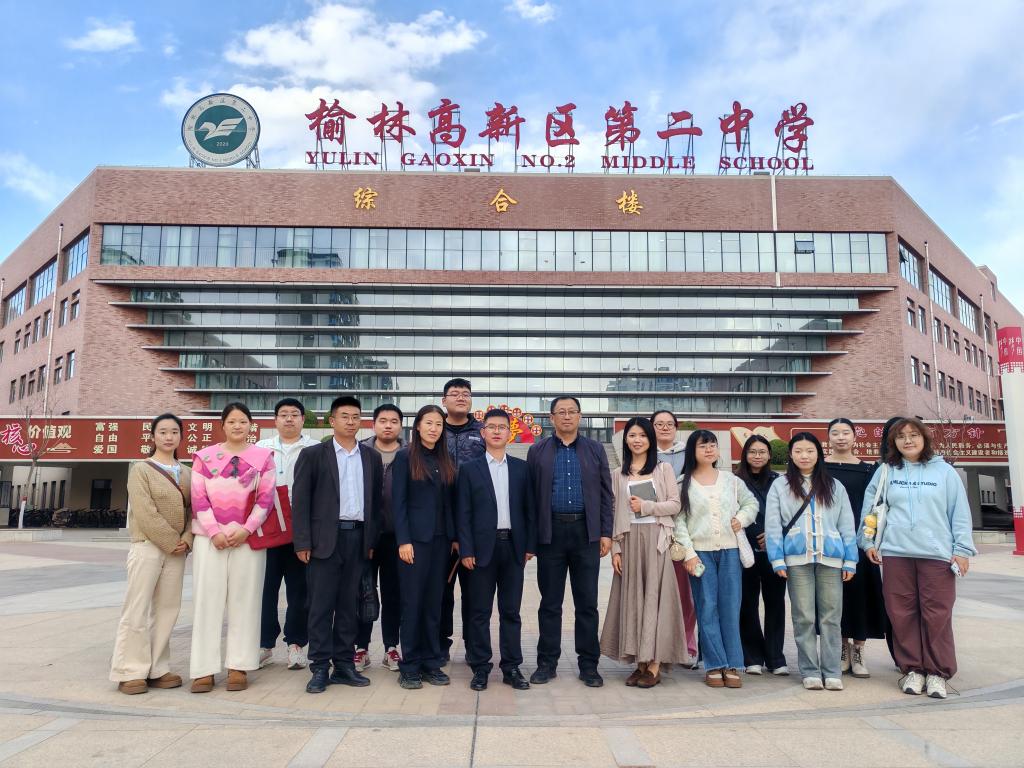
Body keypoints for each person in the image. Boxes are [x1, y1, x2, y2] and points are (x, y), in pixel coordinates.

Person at [860, 416, 976, 700]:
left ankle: (937, 672)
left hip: (936, 555)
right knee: (901, 613)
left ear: (924, 438)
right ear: (893, 443)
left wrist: (962, 549)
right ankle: (913, 669)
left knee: (937, 614)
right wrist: (867, 541)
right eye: (901, 437)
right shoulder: (886, 471)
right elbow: (871, 508)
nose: (907, 440)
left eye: (913, 435)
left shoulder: (944, 472)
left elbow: (960, 513)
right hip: (896, 553)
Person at [292, 395, 383, 694]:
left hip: (358, 539)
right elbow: (300, 501)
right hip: (323, 541)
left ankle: (344, 664)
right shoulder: (313, 455)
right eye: (344, 416)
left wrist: (371, 540)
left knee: (349, 606)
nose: (350, 421)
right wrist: (302, 542)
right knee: (320, 606)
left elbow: (375, 504)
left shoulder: (371, 457)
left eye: (356, 417)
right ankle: (319, 666)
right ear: (332, 421)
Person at [189, 402, 276, 693]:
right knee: (207, 602)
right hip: (209, 540)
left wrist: (246, 529)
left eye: (243, 421)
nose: (238, 426)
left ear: (251, 425)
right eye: (232, 421)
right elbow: (198, 498)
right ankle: (204, 669)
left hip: (247, 540)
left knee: (245, 601)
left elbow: (266, 498)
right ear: (222, 425)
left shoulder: (263, 458)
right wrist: (214, 531)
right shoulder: (204, 457)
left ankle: (239, 665)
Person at [528, 396, 613, 688]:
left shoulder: (595, 449)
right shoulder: (538, 451)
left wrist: (605, 532)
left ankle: (589, 665)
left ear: (580, 416)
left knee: (587, 603)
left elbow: (606, 494)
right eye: (561, 412)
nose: (567, 416)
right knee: (550, 603)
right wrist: (532, 539)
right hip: (550, 534)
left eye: (572, 411)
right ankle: (546, 664)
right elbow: (530, 497)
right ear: (551, 418)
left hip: (585, 533)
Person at [600, 417, 689, 688]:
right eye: (632, 435)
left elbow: (674, 505)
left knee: (655, 600)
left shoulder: (663, 469)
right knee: (633, 601)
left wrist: (647, 506)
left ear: (650, 439)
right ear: (625, 439)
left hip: (656, 540)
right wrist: (616, 549)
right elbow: (613, 512)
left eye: (642, 435)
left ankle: (654, 664)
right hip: (629, 540)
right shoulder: (618, 474)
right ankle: (639, 662)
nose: (637, 440)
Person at [765, 432, 857, 692]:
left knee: (831, 617)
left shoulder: (834, 485)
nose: (804, 456)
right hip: (796, 559)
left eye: (809, 451)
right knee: (803, 617)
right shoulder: (780, 485)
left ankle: (832, 671)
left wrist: (850, 560)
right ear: (791, 455)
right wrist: (777, 559)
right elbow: (772, 525)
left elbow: (846, 525)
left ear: (819, 454)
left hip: (831, 558)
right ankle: (810, 670)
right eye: (798, 451)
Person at [110, 413, 193, 695]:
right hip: (147, 546)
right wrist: (171, 540)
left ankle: (158, 668)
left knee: (167, 609)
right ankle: (130, 670)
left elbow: (193, 512)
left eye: (174, 432)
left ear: (181, 436)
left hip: (178, 552)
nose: (169, 437)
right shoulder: (140, 469)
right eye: (163, 432)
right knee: (137, 607)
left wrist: (187, 539)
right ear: (153, 436)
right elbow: (145, 512)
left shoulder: (187, 473)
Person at [457, 408, 536, 691]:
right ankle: (480, 667)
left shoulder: (521, 468)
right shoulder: (469, 469)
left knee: (511, 611)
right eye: (491, 427)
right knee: (479, 612)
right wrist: (466, 550)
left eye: (502, 427)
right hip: (481, 551)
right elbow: (463, 512)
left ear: (509, 433)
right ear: (483, 432)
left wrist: (529, 546)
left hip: (513, 548)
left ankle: (511, 667)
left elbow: (529, 510)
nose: (497, 431)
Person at [674, 430, 758, 688]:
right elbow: (678, 521)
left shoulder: (731, 480)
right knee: (706, 607)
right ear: (692, 451)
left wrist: (741, 519)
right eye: (703, 446)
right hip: (700, 554)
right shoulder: (682, 483)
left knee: (730, 607)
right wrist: (689, 553)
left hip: (730, 552)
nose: (709, 449)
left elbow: (751, 503)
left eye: (712, 445)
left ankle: (733, 664)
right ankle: (714, 664)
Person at [393, 405, 458, 690]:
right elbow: (398, 502)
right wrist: (403, 540)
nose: (434, 429)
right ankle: (409, 666)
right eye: (429, 423)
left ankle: (431, 662)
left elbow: (449, 503)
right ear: (418, 426)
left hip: (441, 542)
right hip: (414, 543)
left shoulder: (445, 458)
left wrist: (454, 538)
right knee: (413, 604)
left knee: (434, 604)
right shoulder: (405, 456)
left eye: (439, 424)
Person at [257, 397, 320, 671]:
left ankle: (296, 644)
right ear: (275, 420)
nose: (289, 419)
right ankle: (265, 644)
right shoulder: (261, 448)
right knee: (265, 589)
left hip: (300, 529)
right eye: (283, 414)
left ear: (303, 419)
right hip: (268, 529)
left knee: (299, 591)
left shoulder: (315, 448)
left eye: (295, 414)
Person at [824, 417, 887, 679]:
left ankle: (859, 650)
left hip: (860, 543)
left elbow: (875, 507)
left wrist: (871, 539)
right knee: (835, 597)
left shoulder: (868, 470)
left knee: (862, 595)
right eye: (835, 433)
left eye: (845, 433)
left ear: (854, 436)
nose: (841, 437)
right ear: (828, 437)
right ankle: (842, 649)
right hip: (829, 541)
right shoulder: (820, 468)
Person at [354, 404, 405, 673]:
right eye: (383, 420)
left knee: (393, 593)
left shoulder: (409, 454)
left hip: (397, 537)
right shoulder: (360, 452)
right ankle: (360, 648)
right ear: (373, 424)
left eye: (393, 421)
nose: (388, 425)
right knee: (363, 591)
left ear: (400, 426)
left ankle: (391, 648)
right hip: (365, 536)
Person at [439, 378, 486, 663]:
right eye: (454, 393)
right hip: (439, 525)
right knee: (440, 591)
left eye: (465, 394)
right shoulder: (434, 430)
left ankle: (473, 647)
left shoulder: (482, 432)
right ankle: (440, 645)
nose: (460, 397)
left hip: (475, 527)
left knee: (474, 594)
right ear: (443, 400)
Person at [735, 434, 788, 677]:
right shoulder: (735, 481)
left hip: (774, 551)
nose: (757, 456)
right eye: (752, 451)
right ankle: (752, 656)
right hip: (744, 550)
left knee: (775, 603)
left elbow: (789, 513)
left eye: (762, 452)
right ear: (745, 454)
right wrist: (750, 534)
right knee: (748, 604)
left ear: (769, 455)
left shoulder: (781, 481)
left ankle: (776, 658)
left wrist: (775, 535)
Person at [650, 409, 698, 661]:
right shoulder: (645, 453)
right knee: (656, 591)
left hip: (683, 530)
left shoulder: (688, 454)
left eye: (669, 424)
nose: (665, 428)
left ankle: (686, 644)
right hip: (653, 527)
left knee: (684, 592)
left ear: (676, 427)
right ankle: (657, 645)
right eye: (659, 424)